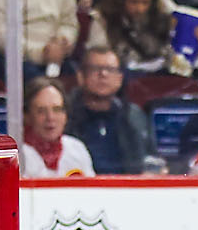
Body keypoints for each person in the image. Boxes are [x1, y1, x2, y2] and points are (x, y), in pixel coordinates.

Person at [85, 0, 198, 76]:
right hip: (121, 77)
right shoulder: (103, 18)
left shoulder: (165, 10)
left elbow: (183, 51)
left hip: (161, 74)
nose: (139, 9)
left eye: (145, 2)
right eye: (134, 2)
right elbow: (97, 57)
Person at [65, 47, 155, 175]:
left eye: (110, 69)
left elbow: (151, 160)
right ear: (81, 77)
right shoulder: (65, 116)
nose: (103, 74)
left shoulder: (134, 116)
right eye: (95, 69)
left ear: (119, 79)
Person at [20, 78, 93, 178]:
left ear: (65, 115)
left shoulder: (77, 149)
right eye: (41, 111)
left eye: (57, 109)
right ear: (27, 116)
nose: (50, 117)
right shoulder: (18, 155)